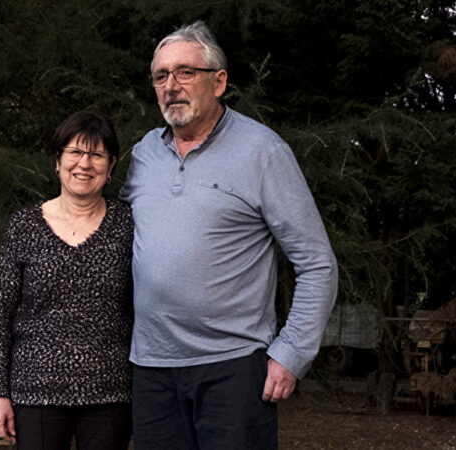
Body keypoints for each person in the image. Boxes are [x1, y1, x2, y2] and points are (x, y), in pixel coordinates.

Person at [119, 21, 338, 449]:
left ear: (218, 82)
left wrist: (291, 353)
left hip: (234, 370)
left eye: (185, 72)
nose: (171, 86)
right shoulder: (145, 153)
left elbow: (316, 261)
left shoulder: (263, 151)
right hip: (151, 369)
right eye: (161, 76)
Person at [0, 111, 133, 449]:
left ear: (110, 167)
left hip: (111, 394)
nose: (84, 163)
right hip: (35, 392)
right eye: (75, 152)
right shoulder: (24, 226)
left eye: (96, 155)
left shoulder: (128, 225)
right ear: (58, 160)